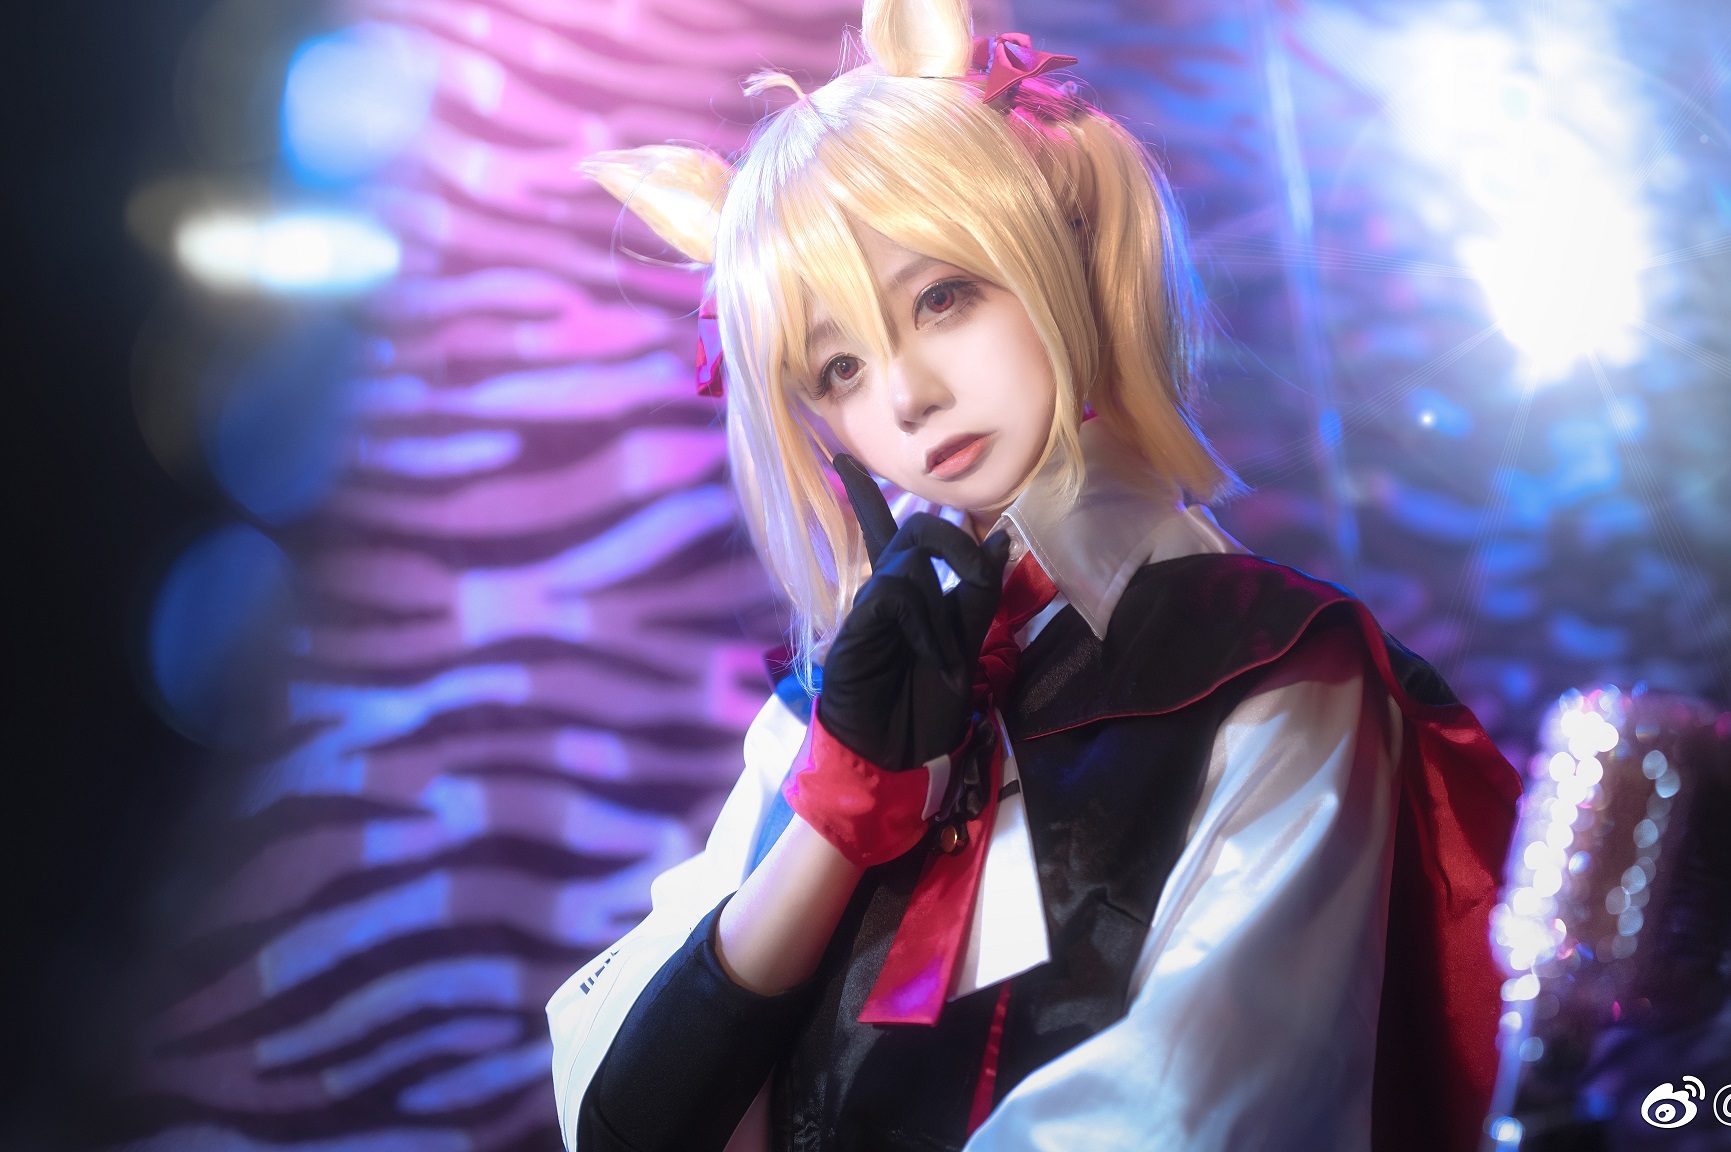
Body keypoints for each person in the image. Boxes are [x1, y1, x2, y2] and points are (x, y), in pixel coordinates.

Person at [546, 2, 1522, 1148]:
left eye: (940, 298)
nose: (905, 396)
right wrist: (839, 814)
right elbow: (626, 1123)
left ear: (1056, 244)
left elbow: (1197, 1111)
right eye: (838, 367)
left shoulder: (1276, 668)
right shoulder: (825, 719)